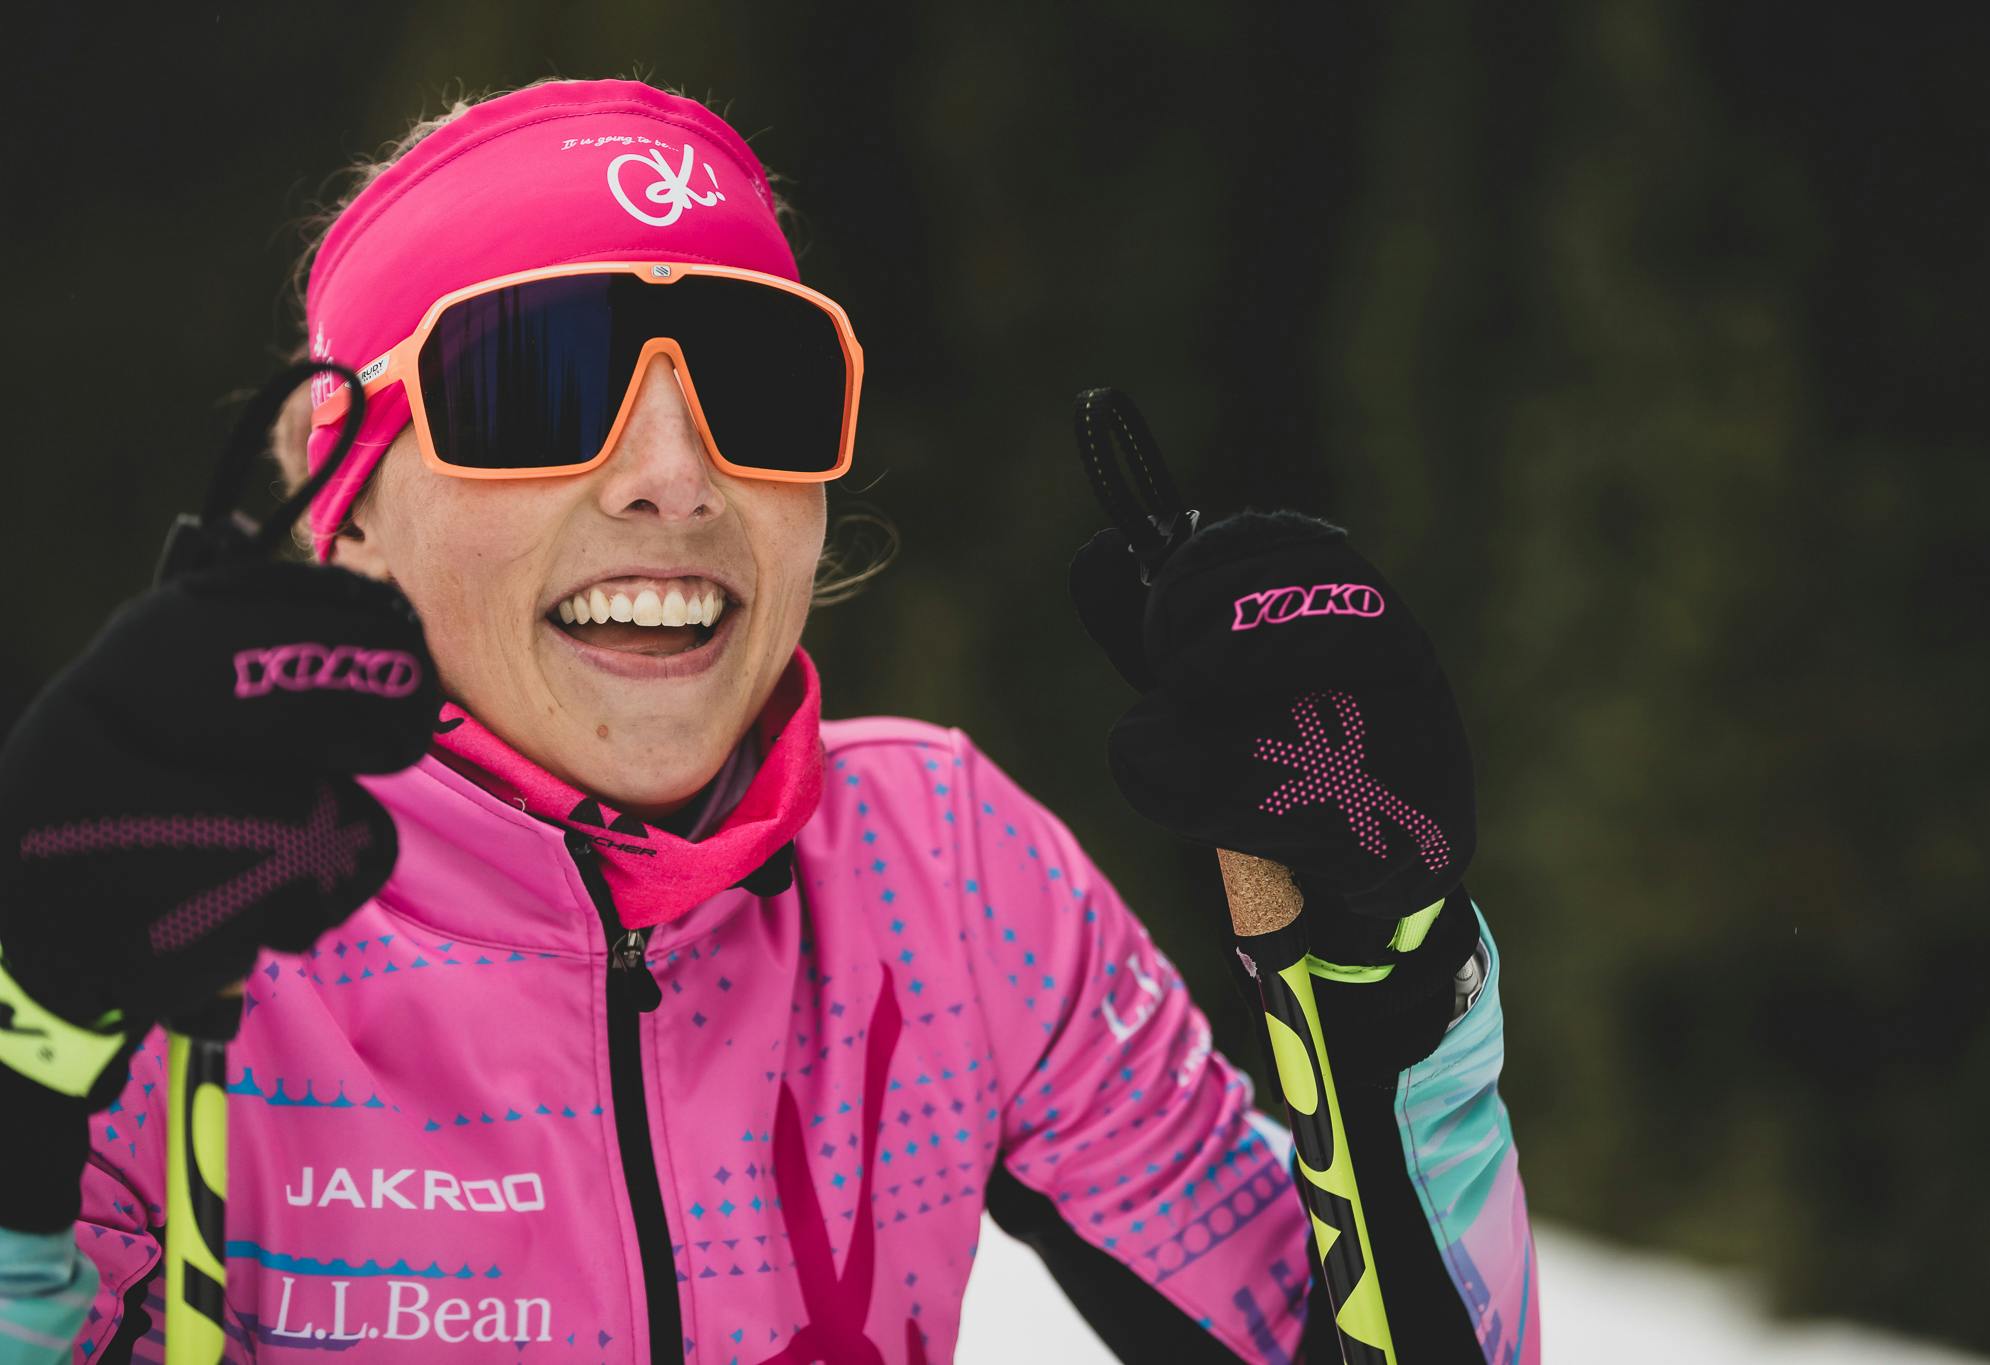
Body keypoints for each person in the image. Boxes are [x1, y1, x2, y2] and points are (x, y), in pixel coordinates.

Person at [0, 78, 1537, 1363]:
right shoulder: (183, 923)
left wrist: (1389, 978)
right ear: (348, 499)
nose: (676, 476)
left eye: (757, 386)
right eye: (537, 383)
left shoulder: (943, 878)